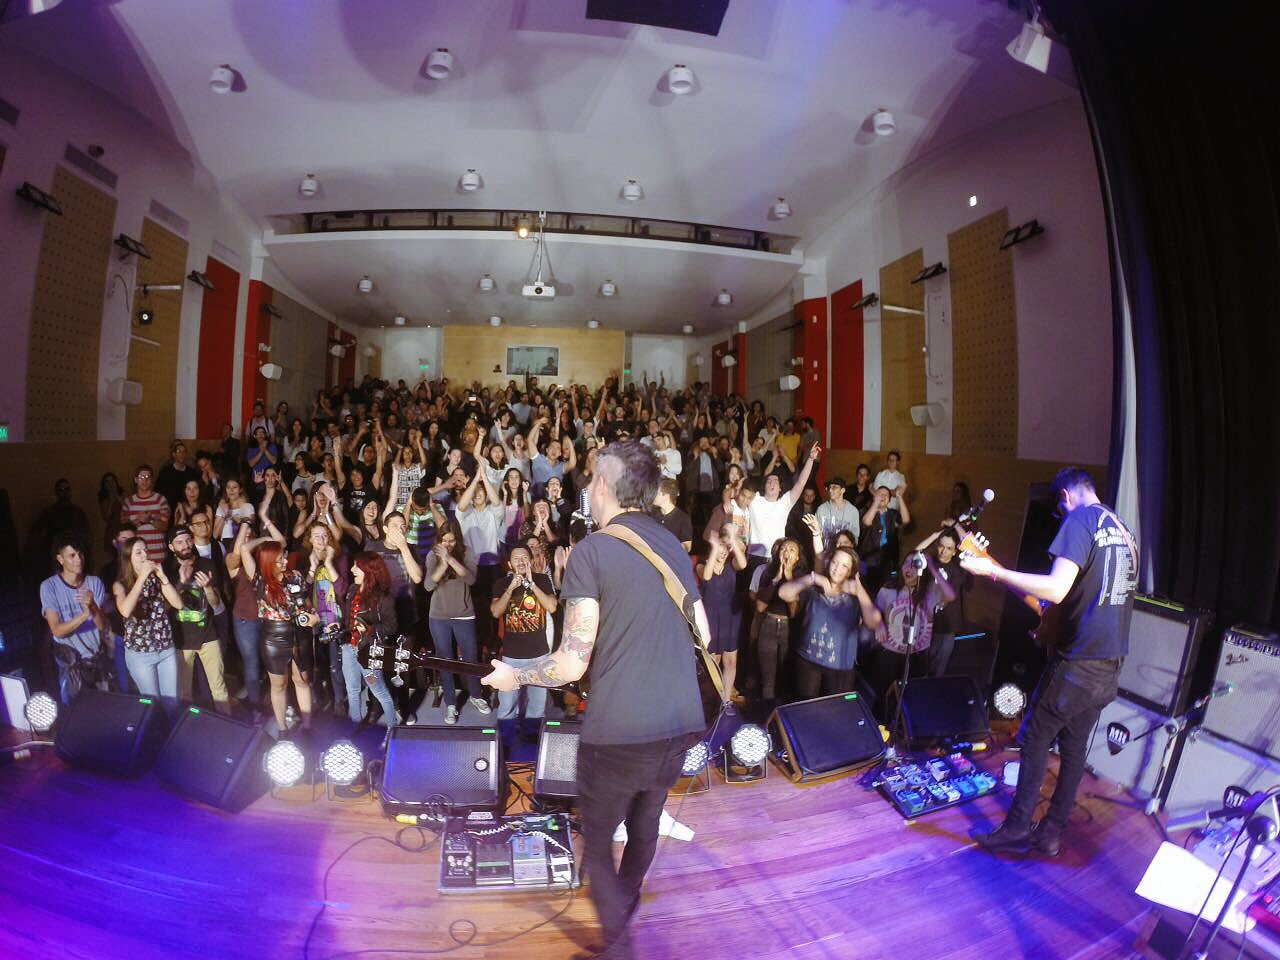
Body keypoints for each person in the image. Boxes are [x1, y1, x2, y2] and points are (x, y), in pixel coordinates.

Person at [482, 441, 710, 960]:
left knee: (600, 843)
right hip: (680, 725)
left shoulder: (591, 551)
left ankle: (619, 946)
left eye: (591, 477)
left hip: (620, 733)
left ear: (604, 485)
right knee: (645, 826)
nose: (587, 485)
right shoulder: (673, 545)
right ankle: (624, 906)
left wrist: (515, 675)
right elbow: (705, 633)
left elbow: (570, 665)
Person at [961, 468, 1137, 857]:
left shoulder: (1080, 520)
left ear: (1064, 497)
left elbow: (1056, 590)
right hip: (1111, 664)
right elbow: (1088, 598)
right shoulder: (1123, 530)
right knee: (1074, 750)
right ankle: (1052, 833)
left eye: (1059, 510)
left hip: (1079, 663)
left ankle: (1017, 828)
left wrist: (993, 570)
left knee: (1034, 737)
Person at [779, 545, 882, 700]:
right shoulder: (815, 588)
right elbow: (783, 593)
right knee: (805, 707)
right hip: (808, 662)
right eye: (835, 562)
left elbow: (874, 622)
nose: (837, 568)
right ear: (829, 563)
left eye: (844, 566)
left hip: (839, 668)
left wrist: (859, 589)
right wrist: (812, 578)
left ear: (851, 571)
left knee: (834, 710)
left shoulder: (855, 596)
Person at [239, 538, 313, 734]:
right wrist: (266, 540)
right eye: (279, 559)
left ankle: (307, 727)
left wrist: (312, 616)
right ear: (268, 561)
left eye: (284, 557)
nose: (285, 562)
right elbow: (244, 549)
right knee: (279, 685)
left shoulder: (295, 576)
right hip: (274, 636)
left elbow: (307, 604)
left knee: (302, 681)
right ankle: (282, 729)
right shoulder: (259, 579)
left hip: (299, 632)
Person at [489, 544, 557, 742]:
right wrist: (511, 588)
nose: (520, 561)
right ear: (509, 563)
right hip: (512, 655)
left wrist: (532, 584)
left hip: (539, 654)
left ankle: (532, 738)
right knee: (507, 703)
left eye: (524, 557)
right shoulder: (502, 583)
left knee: (537, 704)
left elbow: (552, 606)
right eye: (516, 558)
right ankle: (506, 741)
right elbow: (495, 612)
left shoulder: (542, 580)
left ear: (530, 560)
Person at [164, 525, 231, 714]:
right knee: (184, 691)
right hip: (181, 639)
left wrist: (208, 588)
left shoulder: (206, 564)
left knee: (219, 688)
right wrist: (180, 583)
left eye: (188, 540)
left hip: (208, 635)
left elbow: (215, 604)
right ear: (171, 547)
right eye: (179, 542)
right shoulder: (167, 569)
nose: (185, 545)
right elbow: (165, 607)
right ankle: (187, 727)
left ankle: (226, 726)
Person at [426, 519, 486, 724]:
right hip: (439, 616)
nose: (448, 545)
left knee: (470, 659)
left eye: (452, 541)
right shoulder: (432, 555)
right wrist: (442, 563)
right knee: (445, 660)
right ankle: (451, 703)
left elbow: (471, 579)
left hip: (464, 614)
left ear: (458, 540)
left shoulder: (467, 552)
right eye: (444, 541)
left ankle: (476, 695)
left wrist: (450, 559)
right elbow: (428, 585)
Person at [40, 534, 111, 703]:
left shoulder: (94, 582)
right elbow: (57, 630)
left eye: (80, 554)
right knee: (76, 710)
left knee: (104, 708)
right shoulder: (49, 586)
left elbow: (103, 626)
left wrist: (93, 607)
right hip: (71, 664)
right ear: (60, 559)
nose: (78, 560)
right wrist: (84, 615)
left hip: (95, 659)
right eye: (72, 555)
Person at [112, 535, 182, 698]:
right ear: (128, 559)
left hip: (166, 649)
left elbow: (178, 604)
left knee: (171, 702)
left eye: (145, 550)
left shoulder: (155, 578)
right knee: (153, 703)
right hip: (141, 655)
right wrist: (142, 577)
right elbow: (125, 611)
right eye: (139, 552)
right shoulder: (120, 585)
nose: (145, 555)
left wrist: (163, 578)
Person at [339, 552, 401, 727]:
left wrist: (370, 629)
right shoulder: (353, 590)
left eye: (357, 566)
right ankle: (355, 729)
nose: (352, 570)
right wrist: (340, 629)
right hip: (349, 648)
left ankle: (393, 728)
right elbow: (348, 620)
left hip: (369, 651)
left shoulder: (383, 596)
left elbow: (391, 626)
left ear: (369, 570)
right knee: (352, 690)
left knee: (379, 691)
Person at [699, 523, 748, 703]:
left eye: (726, 548)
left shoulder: (731, 566)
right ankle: (711, 701)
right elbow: (706, 576)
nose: (723, 552)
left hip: (730, 619)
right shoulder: (702, 566)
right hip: (711, 620)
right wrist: (714, 549)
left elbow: (743, 563)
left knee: (730, 661)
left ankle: (726, 701)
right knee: (714, 661)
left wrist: (733, 540)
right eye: (720, 547)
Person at [120, 465, 171, 563]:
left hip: (158, 554)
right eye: (141, 477)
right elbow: (125, 532)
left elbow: (165, 527)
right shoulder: (128, 502)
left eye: (148, 477)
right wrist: (138, 520)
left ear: (152, 480)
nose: (145, 480)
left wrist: (150, 520)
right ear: (136, 480)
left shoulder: (160, 499)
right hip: (137, 556)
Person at [815, 476, 860, 551]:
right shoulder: (821, 509)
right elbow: (816, 535)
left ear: (842, 490)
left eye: (834, 487)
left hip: (844, 553)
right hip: (825, 553)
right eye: (829, 487)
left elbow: (855, 538)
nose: (830, 490)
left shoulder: (853, 511)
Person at [651, 478, 692, 553]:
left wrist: (668, 548)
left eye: (657, 493)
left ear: (666, 495)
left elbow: (687, 546)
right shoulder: (651, 514)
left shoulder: (683, 519)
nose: (653, 495)